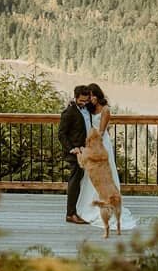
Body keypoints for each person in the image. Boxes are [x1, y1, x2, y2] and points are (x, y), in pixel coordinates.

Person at [75, 84, 137, 229]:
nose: (91, 99)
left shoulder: (105, 110)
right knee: (91, 174)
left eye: (92, 95)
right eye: (89, 96)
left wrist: (93, 144)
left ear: (98, 94)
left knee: (104, 172)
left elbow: (102, 131)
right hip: (91, 141)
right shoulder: (89, 107)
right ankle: (87, 204)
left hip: (101, 143)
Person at [58, 84, 92, 224]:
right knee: (75, 181)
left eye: (86, 100)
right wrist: (72, 148)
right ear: (75, 97)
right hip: (75, 153)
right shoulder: (69, 112)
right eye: (81, 101)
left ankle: (81, 210)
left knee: (83, 181)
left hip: (87, 150)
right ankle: (70, 214)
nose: (84, 103)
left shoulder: (87, 108)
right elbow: (61, 134)